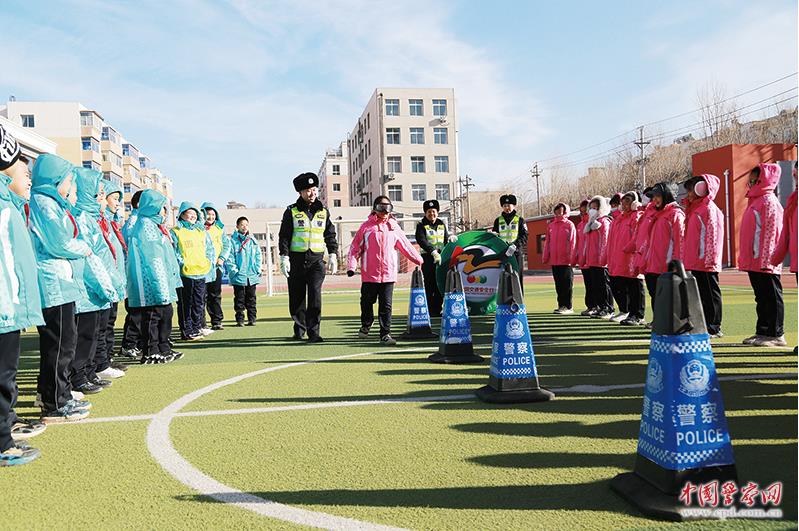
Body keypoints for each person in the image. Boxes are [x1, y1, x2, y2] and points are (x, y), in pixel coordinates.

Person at [28, 154, 93, 422]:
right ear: (56, 179)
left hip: (61, 280)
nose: (70, 186)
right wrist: (84, 248)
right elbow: (60, 243)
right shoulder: (44, 203)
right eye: (68, 181)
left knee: (62, 341)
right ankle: (56, 402)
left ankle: (51, 392)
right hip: (53, 282)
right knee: (60, 343)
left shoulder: (52, 203)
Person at [0, 126, 45, 465]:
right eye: (23, 171)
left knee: (7, 373)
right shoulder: (3, 208)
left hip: (8, 306)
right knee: (3, 374)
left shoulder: (9, 205)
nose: (28, 178)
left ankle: (6, 428)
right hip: (3, 307)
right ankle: (3, 442)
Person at [69, 169, 124, 396]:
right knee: (84, 337)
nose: (102, 198)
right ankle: (78, 377)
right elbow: (90, 256)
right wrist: (106, 284)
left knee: (96, 333)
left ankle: (90, 371)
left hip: (102, 288)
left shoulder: (95, 220)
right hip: (90, 289)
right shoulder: (82, 219)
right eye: (99, 194)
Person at [347, 196, 423, 345]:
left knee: (386, 305)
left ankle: (385, 333)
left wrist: (419, 260)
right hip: (370, 274)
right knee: (367, 302)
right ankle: (366, 325)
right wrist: (351, 266)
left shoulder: (394, 227)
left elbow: (405, 245)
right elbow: (355, 248)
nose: (385, 211)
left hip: (388, 274)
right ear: (375, 208)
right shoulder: (366, 227)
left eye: (388, 208)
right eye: (382, 208)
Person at [278, 173, 337, 342]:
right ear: (300, 193)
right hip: (296, 260)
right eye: (307, 191)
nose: (311, 193)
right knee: (296, 297)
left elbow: (330, 234)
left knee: (315, 296)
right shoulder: (291, 211)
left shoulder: (323, 212)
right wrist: (284, 257)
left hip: (316, 261)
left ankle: (314, 331)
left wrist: (332, 254)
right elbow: (284, 236)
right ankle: (299, 328)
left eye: (313, 189)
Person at [127, 189, 183, 364]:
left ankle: (163, 347)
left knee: (166, 312)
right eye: (161, 207)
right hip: (152, 281)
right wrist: (160, 284)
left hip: (163, 278)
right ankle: (151, 350)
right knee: (153, 315)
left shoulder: (156, 226)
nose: (164, 211)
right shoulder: (146, 226)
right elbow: (153, 258)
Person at [739, 163, 786, 347]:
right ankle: (763, 331)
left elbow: (772, 232)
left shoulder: (768, 201)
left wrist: (768, 259)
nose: (750, 182)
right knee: (761, 297)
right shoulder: (755, 201)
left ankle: (776, 333)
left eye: (754, 179)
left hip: (765, 260)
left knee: (771, 296)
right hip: (754, 259)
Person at [682, 174, 724, 338]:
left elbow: (713, 236)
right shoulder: (695, 209)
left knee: (710, 294)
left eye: (691, 190)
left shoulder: (708, 209)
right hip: (695, 261)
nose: (689, 193)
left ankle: (714, 326)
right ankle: (703, 325)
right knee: (699, 295)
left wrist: (709, 259)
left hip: (705, 261)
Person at [172, 202, 213, 341]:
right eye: (189, 213)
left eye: (195, 214)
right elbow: (175, 251)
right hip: (185, 273)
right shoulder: (176, 231)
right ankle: (186, 330)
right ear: (182, 214)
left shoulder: (201, 232)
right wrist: (182, 264)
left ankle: (196, 328)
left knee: (199, 302)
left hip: (201, 272)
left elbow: (209, 249)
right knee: (185, 304)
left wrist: (208, 262)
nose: (192, 216)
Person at [642, 182, 685, 316]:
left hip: (666, 266)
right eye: (653, 197)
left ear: (667, 195)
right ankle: (659, 320)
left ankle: (669, 323)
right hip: (652, 265)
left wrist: (678, 264)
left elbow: (680, 241)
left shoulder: (675, 214)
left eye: (657, 196)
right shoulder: (657, 215)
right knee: (655, 294)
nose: (654, 199)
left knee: (667, 297)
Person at [100, 180, 128, 370]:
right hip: (105, 280)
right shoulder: (102, 221)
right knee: (102, 325)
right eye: (114, 198)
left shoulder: (112, 222)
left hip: (115, 279)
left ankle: (106, 358)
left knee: (110, 322)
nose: (117, 203)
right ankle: (100, 362)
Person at [609, 192, 646, 326]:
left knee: (635, 286)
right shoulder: (619, 219)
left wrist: (628, 248)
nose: (624, 204)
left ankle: (638, 315)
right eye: (623, 202)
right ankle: (629, 312)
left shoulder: (637, 216)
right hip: (620, 257)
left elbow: (638, 237)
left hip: (632, 257)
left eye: (628, 201)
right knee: (623, 286)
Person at [119, 189, 144, 358]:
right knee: (136, 310)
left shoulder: (141, 221)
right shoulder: (134, 222)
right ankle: (129, 344)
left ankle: (137, 342)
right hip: (134, 272)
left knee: (142, 310)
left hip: (141, 272)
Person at [415, 199, 449, 317]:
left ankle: (438, 308)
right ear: (425, 213)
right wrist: (432, 251)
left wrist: (450, 240)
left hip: (441, 259)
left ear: (437, 212)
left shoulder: (441, 223)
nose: (431, 214)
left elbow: (445, 238)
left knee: (439, 284)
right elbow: (422, 240)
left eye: (434, 211)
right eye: (429, 212)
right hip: (429, 258)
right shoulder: (421, 225)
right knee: (429, 285)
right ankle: (430, 309)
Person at [226, 216, 262, 326]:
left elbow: (258, 255)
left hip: (251, 275)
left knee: (251, 298)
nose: (244, 227)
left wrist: (257, 268)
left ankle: (252, 318)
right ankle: (240, 319)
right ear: (237, 226)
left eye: (246, 224)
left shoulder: (252, 240)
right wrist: (234, 270)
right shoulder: (233, 241)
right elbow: (230, 257)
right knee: (239, 299)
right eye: (242, 225)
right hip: (238, 275)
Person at [542, 202, 576, 314]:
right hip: (555, 261)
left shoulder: (569, 225)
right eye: (556, 211)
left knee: (566, 284)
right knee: (558, 284)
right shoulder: (551, 225)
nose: (558, 213)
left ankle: (568, 306)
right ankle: (561, 305)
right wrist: (546, 256)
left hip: (566, 261)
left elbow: (573, 242)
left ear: (565, 211)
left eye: (560, 210)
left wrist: (572, 258)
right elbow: (547, 242)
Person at [583, 195, 614, 319]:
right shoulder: (590, 224)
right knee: (596, 286)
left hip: (601, 262)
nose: (592, 210)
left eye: (595, 207)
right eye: (591, 207)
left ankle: (608, 308)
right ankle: (601, 307)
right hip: (592, 261)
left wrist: (603, 258)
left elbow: (605, 242)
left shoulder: (604, 222)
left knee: (604, 285)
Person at [202, 202, 230, 330]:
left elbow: (226, 245)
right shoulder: (198, 228)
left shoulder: (219, 229)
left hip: (216, 267)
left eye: (213, 214)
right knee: (202, 296)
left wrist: (222, 258)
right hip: (201, 268)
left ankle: (217, 320)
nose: (210, 217)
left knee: (215, 295)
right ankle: (201, 322)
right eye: (208, 214)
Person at [493, 194, 528, 292]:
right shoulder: (498, 221)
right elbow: (495, 237)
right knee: (503, 278)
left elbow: (524, 236)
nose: (507, 208)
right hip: (503, 254)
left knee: (517, 277)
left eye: (509, 205)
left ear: (514, 206)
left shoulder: (520, 220)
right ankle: (504, 302)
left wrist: (515, 245)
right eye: (504, 206)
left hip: (516, 253)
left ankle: (519, 302)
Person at [574, 199, 595, 315]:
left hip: (592, 260)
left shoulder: (593, 224)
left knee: (595, 285)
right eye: (581, 213)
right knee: (588, 285)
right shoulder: (580, 225)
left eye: (585, 212)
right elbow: (578, 243)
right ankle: (590, 306)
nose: (582, 215)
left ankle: (598, 306)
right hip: (584, 260)